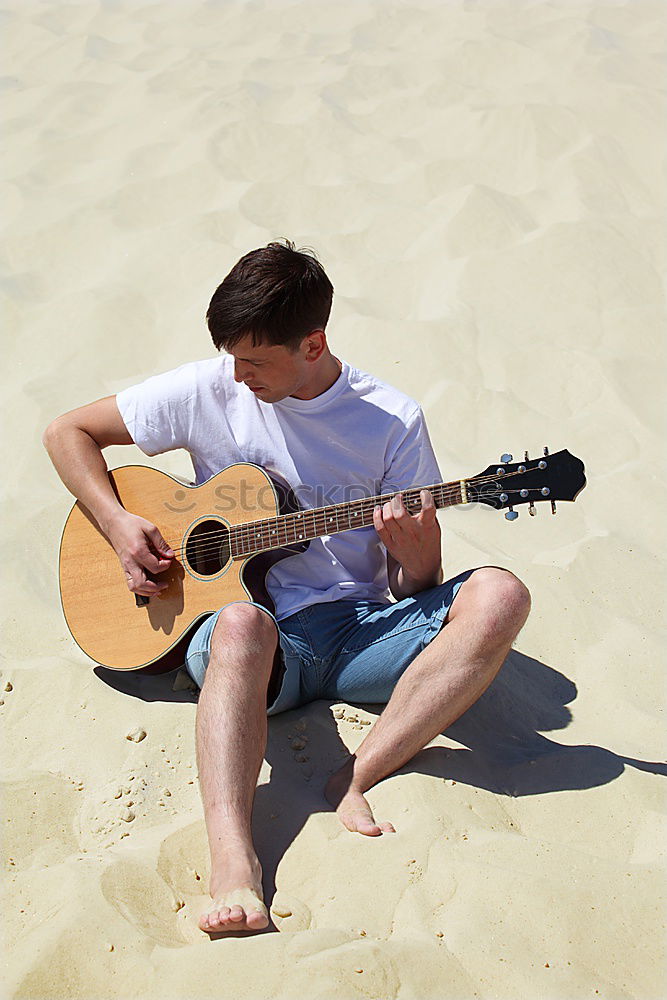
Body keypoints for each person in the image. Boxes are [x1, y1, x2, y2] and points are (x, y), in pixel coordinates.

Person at [43, 240, 531, 935]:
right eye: (231, 359)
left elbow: (408, 587)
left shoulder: (389, 419)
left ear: (313, 343)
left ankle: (355, 776)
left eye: (255, 363)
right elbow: (66, 432)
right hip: (251, 641)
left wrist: (416, 558)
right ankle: (233, 864)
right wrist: (121, 525)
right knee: (244, 624)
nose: (238, 376)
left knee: (502, 595)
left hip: (358, 633)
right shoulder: (207, 386)